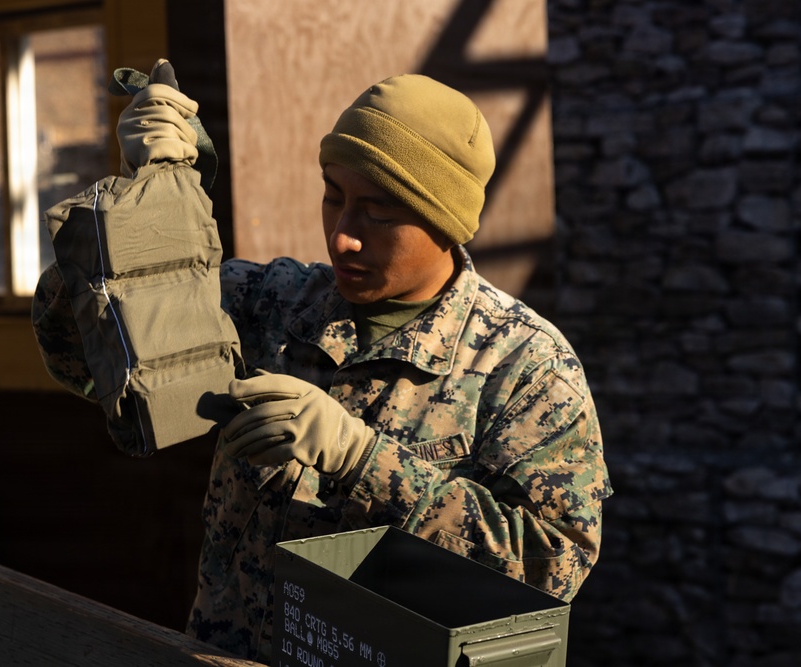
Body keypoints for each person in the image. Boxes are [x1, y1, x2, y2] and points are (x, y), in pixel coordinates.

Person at [32, 62, 612, 663]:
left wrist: (362, 459)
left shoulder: (524, 365)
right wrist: (149, 208)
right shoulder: (272, 303)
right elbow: (79, 354)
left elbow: (552, 569)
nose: (342, 236)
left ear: (445, 221)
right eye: (333, 197)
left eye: (378, 212)